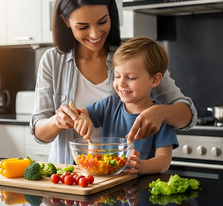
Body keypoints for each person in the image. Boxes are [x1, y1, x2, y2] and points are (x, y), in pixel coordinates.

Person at [30, 0, 196, 164]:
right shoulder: (52, 61)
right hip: (72, 178)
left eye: (102, 21)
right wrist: (56, 121)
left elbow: (188, 115)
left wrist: (162, 112)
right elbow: (39, 133)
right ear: (66, 21)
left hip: (124, 180)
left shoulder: (132, 55)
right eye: (83, 26)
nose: (95, 34)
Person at [73, 37, 178, 175]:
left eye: (131, 78)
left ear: (155, 79)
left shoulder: (160, 117)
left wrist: (142, 166)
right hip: (108, 186)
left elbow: (164, 161)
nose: (121, 83)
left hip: (141, 190)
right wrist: (83, 118)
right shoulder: (110, 105)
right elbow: (78, 113)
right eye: (117, 76)